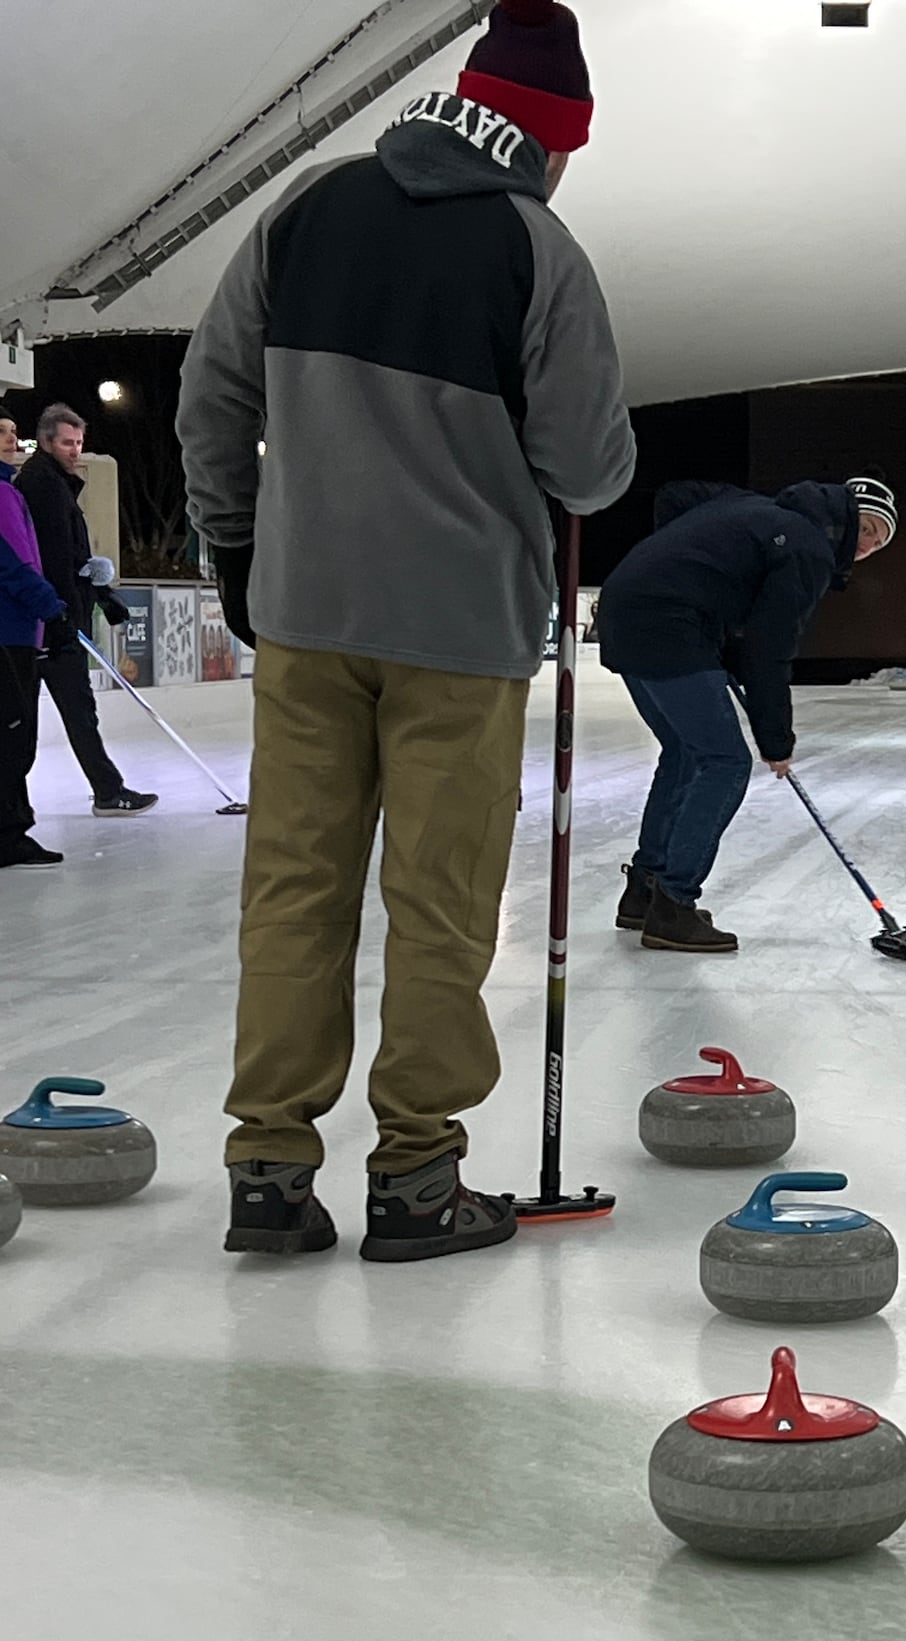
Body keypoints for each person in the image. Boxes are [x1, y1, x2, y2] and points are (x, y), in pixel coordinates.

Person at [177, 0, 636, 1263]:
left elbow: (211, 390)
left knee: (293, 890)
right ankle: (419, 1178)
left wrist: (237, 545)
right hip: (462, 630)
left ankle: (268, 1168)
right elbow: (590, 472)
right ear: (543, 140)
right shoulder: (537, 248)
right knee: (437, 904)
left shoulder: (306, 208)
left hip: (308, 616)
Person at [598, 474, 897, 952]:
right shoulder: (808, 547)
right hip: (667, 626)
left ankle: (645, 891)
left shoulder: (745, 505)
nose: (866, 546)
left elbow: (675, 493)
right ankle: (673, 904)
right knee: (725, 762)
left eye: (879, 543)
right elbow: (769, 648)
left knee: (684, 753)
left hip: (624, 608)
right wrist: (775, 740)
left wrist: (697, 581)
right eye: (867, 529)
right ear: (844, 517)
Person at [15, 404, 153, 819]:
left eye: (78, 442)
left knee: (70, 710)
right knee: (64, 712)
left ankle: (105, 788)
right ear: (46, 442)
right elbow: (54, 557)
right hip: (50, 621)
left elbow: (71, 555)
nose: (75, 450)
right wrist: (63, 614)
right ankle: (105, 791)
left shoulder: (55, 482)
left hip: (53, 616)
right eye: (66, 442)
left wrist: (97, 588)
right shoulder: (42, 485)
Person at [0, 407, 69, 868]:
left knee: (18, 732)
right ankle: (9, 832)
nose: (11, 439)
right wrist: (48, 601)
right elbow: (8, 563)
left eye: (12, 431)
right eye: (1, 433)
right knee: (12, 733)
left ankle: (12, 825)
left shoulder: (9, 490)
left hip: (22, 629)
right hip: (9, 629)